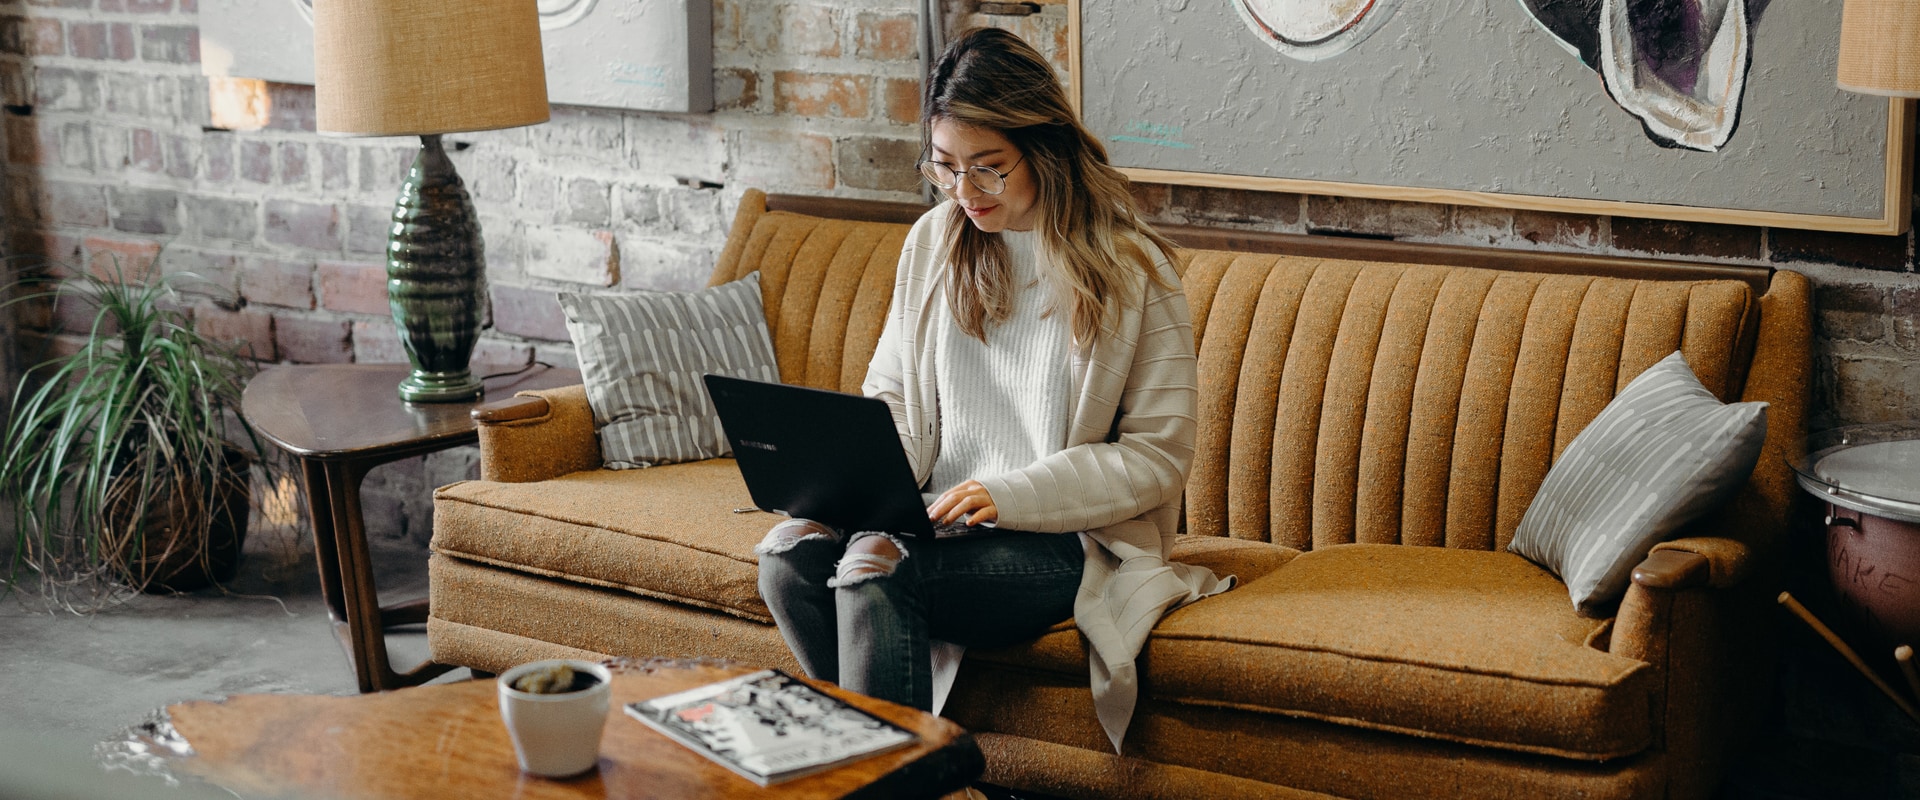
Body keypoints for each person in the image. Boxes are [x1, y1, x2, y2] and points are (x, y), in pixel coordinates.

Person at [754, 26, 1231, 751]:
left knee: (876, 571)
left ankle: (886, 773)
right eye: (945, 167)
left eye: (989, 168)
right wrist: (849, 480)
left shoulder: (1131, 269)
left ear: (1043, 149)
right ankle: (888, 768)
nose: (965, 192)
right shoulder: (933, 241)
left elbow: (1158, 456)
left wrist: (1012, 495)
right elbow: (894, 399)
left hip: (1065, 539)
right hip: (931, 520)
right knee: (788, 557)